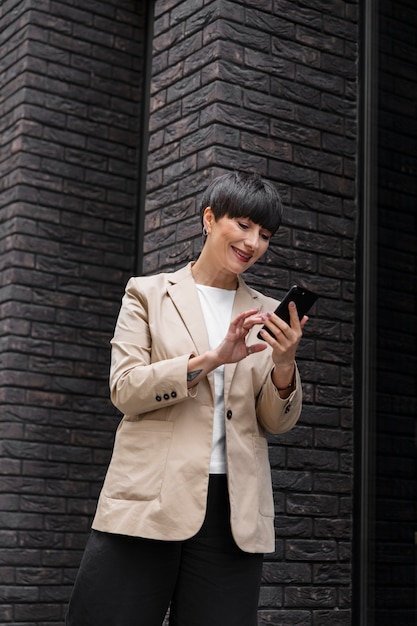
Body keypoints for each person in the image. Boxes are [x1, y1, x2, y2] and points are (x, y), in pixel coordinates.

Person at [66, 171, 308, 626]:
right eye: (243, 225)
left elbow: (276, 423)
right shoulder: (148, 294)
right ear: (209, 219)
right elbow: (125, 389)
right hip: (150, 500)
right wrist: (213, 358)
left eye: (265, 234)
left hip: (232, 514)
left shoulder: (267, 312)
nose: (253, 242)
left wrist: (284, 364)